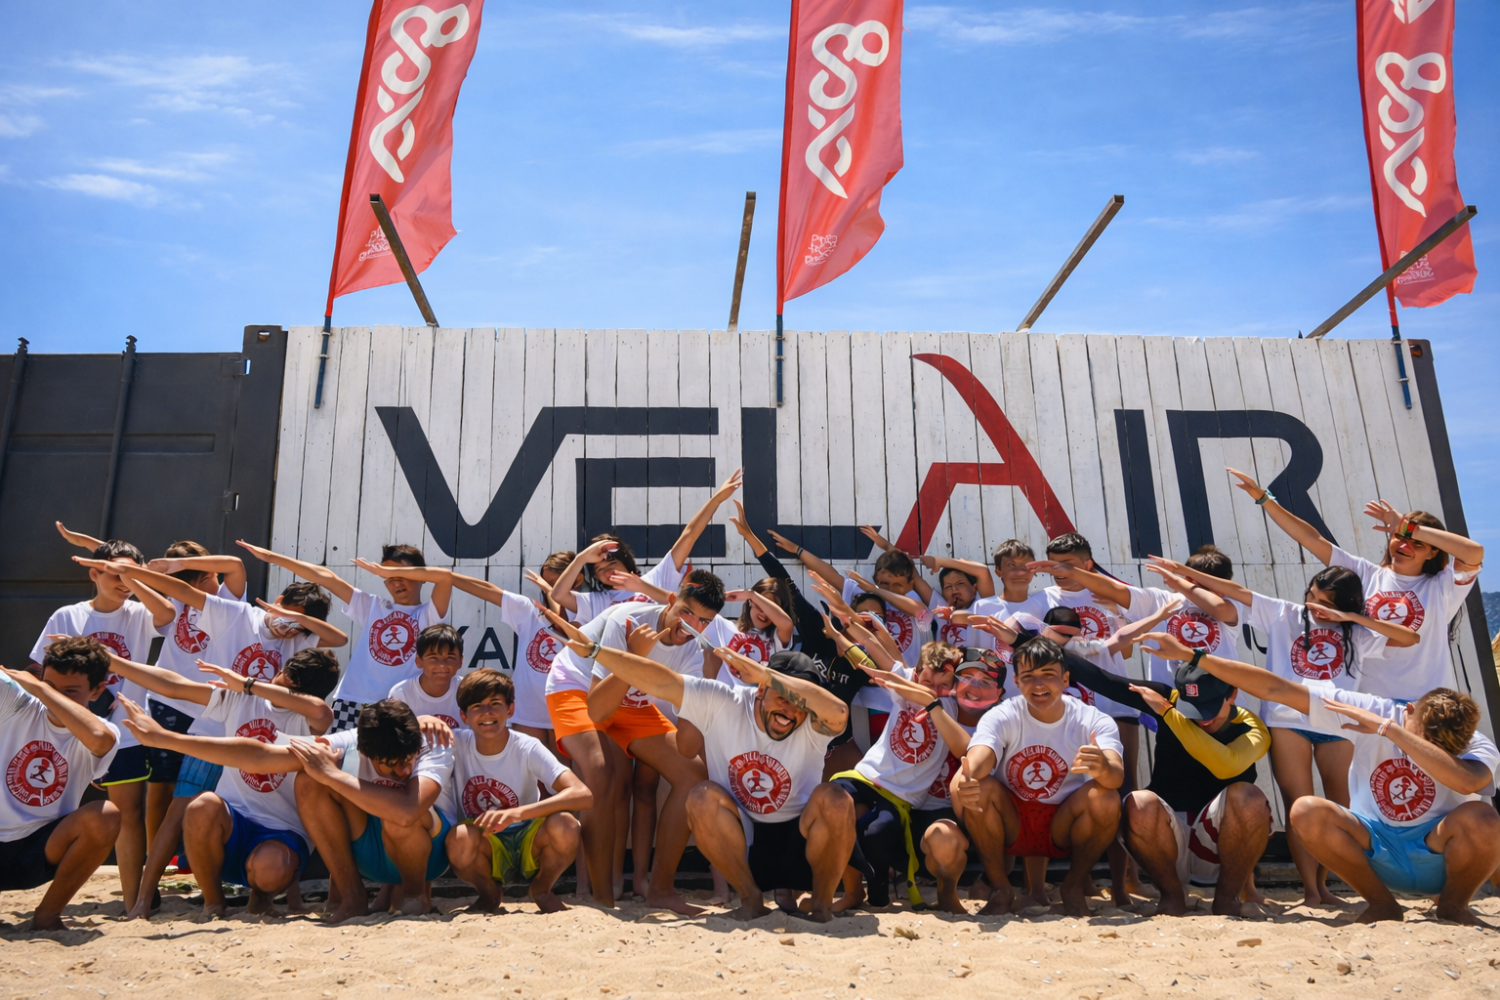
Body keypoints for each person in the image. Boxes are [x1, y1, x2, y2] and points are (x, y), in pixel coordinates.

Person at [1143, 629, 1500, 926]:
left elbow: (1469, 783)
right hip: (1377, 851)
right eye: (1422, 735)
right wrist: (1197, 657)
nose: (1425, 748)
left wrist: (1392, 731)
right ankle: (1380, 903)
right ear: (1408, 710)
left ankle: (1453, 906)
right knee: (1305, 810)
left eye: (1438, 746)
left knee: (1484, 816)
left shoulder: (1467, 741)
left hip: (1438, 858)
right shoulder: (1376, 709)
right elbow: (1278, 690)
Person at [545, 607, 856, 923]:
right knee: (701, 796)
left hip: (798, 844)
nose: (791, 710)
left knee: (836, 799)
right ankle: (750, 900)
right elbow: (661, 682)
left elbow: (838, 710)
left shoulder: (816, 725)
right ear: (761, 691)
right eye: (783, 697)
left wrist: (766, 674)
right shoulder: (726, 700)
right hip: (742, 843)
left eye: (800, 702)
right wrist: (596, 651)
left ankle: (820, 907)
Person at [1153, 554, 1419, 908]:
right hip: (1287, 718)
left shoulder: (1358, 631)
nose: (1317, 606)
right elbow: (1236, 591)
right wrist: (1184, 574)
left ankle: (1324, 886)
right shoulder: (1286, 614)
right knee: (1299, 804)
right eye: (1313, 596)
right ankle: (1310, 891)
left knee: (1339, 805)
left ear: (1349, 604)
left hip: (1338, 720)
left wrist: (1351, 618)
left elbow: (1409, 638)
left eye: (1328, 603)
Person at [126, 696, 454, 922]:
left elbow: (408, 812)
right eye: (390, 766)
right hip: (369, 850)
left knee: (399, 814)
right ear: (366, 751)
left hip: (427, 854)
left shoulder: (433, 743)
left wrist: (334, 774)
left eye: (406, 763)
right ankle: (352, 897)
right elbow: (261, 755)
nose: (401, 772)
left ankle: (414, 895)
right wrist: (166, 739)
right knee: (309, 779)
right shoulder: (353, 742)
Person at [106, 649, 339, 917]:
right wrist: (113, 662)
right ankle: (214, 903)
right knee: (200, 804)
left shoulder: (313, 718)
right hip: (232, 823)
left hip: (281, 833)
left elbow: (320, 710)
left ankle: (261, 900)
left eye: (289, 679)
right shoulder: (242, 700)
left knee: (271, 868)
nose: (279, 679)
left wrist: (249, 684)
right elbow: (173, 685)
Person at [1227, 468, 1483, 701]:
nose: (1404, 546)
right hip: (1369, 703)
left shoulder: (1443, 587)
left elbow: (1473, 553)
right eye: (1399, 537)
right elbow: (1310, 537)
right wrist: (1265, 500)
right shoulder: (1364, 573)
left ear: (1432, 554)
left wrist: (1406, 526)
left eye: (1417, 543)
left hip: (1429, 704)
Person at [1057, 640, 1273, 916]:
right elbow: (1105, 681)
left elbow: (1225, 766)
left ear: (1232, 694)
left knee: (1250, 798)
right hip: (1168, 840)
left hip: (1223, 845)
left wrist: (1170, 715)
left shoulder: (1250, 725)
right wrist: (1025, 642)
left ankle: (1227, 898)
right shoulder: (1167, 700)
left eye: (1208, 706)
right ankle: (1172, 897)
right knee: (1138, 802)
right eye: (1192, 707)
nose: (1201, 717)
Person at [30, 537, 172, 913]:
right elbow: (39, 671)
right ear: (94, 574)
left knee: (128, 813)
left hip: (124, 731)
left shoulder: (141, 614)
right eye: (114, 572)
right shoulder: (67, 616)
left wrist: (134, 575)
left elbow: (169, 613)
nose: (123, 580)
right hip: (70, 732)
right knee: (52, 806)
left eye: (131, 573)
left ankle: (134, 903)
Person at [572, 572, 728, 913]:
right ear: (671, 601)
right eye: (687, 612)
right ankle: (604, 891)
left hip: (638, 708)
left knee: (693, 775)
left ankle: (660, 888)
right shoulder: (627, 620)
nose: (691, 625)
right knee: (607, 780)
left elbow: (688, 737)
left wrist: (710, 682)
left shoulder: (696, 649)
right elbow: (597, 709)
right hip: (590, 697)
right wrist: (635, 657)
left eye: (703, 620)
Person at [950, 635, 1124, 917]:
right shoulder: (1003, 715)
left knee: (1106, 797)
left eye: (1049, 675)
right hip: (1014, 818)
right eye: (1029, 676)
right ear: (1016, 682)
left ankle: (1073, 887)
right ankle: (1001, 888)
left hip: (1064, 821)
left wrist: (1103, 767)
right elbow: (981, 755)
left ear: (1065, 679)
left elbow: (1116, 776)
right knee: (970, 784)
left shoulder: (1091, 719)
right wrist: (970, 774)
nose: (1039, 684)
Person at [236, 541, 451, 732]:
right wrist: (272, 557)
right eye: (388, 577)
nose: (396, 582)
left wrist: (394, 571)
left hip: (398, 706)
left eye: (404, 575)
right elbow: (326, 578)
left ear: (421, 576)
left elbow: (444, 578)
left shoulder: (428, 615)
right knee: (344, 767)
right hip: (350, 701)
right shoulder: (373, 606)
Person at [830, 641, 972, 911]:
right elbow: (879, 651)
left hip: (904, 800)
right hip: (867, 777)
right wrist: (843, 629)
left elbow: (962, 747)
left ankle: (884, 895)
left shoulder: (948, 708)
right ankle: (849, 892)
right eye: (927, 681)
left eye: (943, 685)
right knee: (837, 804)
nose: (933, 689)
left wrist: (932, 703)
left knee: (875, 833)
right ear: (916, 675)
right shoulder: (907, 689)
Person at [439, 669, 592, 913]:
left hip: (530, 836)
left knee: (567, 825)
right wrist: (422, 721)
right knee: (458, 839)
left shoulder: (527, 746)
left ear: (510, 710)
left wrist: (517, 814)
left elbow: (582, 795)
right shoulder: (454, 742)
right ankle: (489, 894)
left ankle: (542, 889)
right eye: (477, 706)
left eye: (495, 704)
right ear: (463, 715)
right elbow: (409, 736)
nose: (487, 713)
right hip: (485, 840)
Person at [0, 638, 121, 930]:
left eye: (69, 692)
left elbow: (97, 737)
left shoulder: (107, 730)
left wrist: (42, 688)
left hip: (39, 853)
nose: (54, 699)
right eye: (51, 687)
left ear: (96, 691)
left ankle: (47, 915)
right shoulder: (15, 702)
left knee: (105, 815)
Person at [548, 468, 743, 624]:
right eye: (599, 570)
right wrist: (582, 558)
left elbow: (689, 536)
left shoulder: (658, 577)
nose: (607, 573)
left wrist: (716, 500)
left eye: (611, 565)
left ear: (625, 561)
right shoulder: (597, 601)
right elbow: (558, 595)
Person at [388, 624, 466, 730]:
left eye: (450, 657)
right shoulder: (402, 693)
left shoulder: (467, 690)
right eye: (433, 658)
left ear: (460, 661)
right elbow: (396, 736)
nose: (442, 664)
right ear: (419, 661)